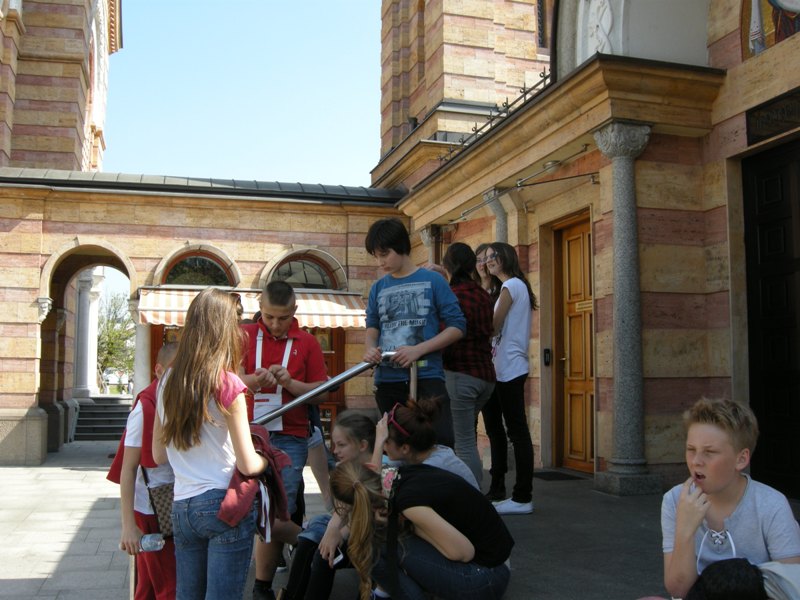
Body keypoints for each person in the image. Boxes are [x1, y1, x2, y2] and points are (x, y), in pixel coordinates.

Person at [152, 288, 269, 600]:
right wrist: (266, 459)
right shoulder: (228, 383)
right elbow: (247, 464)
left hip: (182, 505)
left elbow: (158, 454)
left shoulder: (166, 381)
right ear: (227, 329)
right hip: (223, 502)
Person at [240, 280, 329, 600]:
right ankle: (315, 544)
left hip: (291, 434)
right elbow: (223, 379)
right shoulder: (244, 335)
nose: (276, 325)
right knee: (249, 508)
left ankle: (262, 585)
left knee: (279, 511)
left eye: (283, 318)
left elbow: (322, 391)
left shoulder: (307, 341)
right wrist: (252, 381)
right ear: (259, 309)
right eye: (269, 317)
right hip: (247, 432)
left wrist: (291, 383)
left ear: (294, 311)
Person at [661, 397, 800, 599]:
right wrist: (685, 530)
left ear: (741, 459)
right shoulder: (674, 500)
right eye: (691, 449)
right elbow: (678, 590)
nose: (696, 461)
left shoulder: (771, 505)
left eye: (710, 452)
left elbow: (791, 587)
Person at [330, 461, 514, 600]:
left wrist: (410, 525)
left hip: (486, 578)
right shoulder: (399, 475)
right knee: (384, 533)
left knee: (372, 543)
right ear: (369, 466)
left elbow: (463, 553)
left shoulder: (408, 503)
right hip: (494, 564)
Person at [363, 217, 466, 448]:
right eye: (376, 256)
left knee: (439, 443)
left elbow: (457, 326)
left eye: (384, 254)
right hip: (387, 378)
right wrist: (370, 349)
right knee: (395, 446)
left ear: (401, 246)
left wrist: (419, 349)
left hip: (426, 375)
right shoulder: (378, 287)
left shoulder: (433, 280)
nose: (380, 262)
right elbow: (372, 326)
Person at [108, 342, 178, 600]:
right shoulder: (145, 406)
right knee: (170, 585)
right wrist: (128, 526)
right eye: (175, 370)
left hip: (166, 503)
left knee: (148, 585)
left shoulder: (175, 400)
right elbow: (128, 469)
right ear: (159, 370)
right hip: (152, 509)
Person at [280, 411, 376, 600]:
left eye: (342, 445)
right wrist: (332, 530)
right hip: (348, 528)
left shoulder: (377, 472)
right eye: (334, 444)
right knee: (307, 540)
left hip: (366, 535)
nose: (335, 450)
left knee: (324, 554)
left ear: (363, 445)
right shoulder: (344, 469)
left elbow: (364, 520)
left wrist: (336, 533)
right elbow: (340, 511)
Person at [480, 242, 536, 515]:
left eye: (493, 256)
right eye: (486, 257)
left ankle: (523, 497)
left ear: (506, 258)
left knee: (517, 433)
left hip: (510, 368)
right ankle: (504, 491)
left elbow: (493, 326)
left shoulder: (511, 285)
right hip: (501, 368)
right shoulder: (512, 286)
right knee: (501, 431)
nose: (488, 260)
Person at [433, 242, 496, 485]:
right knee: (467, 436)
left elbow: (445, 335)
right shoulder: (483, 294)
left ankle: (473, 494)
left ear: (447, 266)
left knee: (464, 443)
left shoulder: (452, 296)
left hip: (461, 376)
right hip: (486, 376)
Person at [373, 397, 478, 489]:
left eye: (385, 441)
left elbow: (374, 487)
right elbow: (373, 475)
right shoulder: (416, 455)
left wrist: (378, 443)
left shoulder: (432, 469)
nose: (383, 447)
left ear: (405, 448)